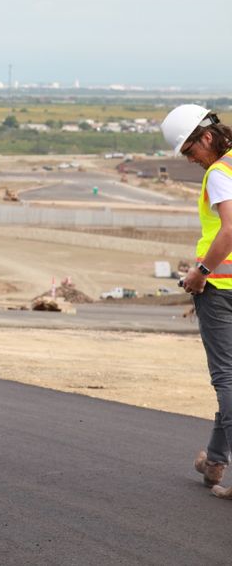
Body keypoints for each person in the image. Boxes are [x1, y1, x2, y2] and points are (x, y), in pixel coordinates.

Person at [162, 104, 232, 498]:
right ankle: (215, 461)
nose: (191, 160)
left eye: (190, 151)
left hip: (220, 287)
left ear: (206, 136)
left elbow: (229, 231)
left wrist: (200, 273)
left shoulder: (220, 172)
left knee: (226, 378)